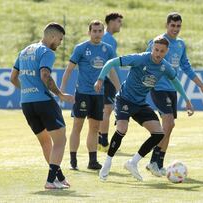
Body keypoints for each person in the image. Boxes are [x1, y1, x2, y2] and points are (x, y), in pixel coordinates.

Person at [95, 36, 194, 181]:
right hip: (124, 99)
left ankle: (132, 162)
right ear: (152, 48)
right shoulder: (140, 59)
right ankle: (107, 163)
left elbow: (175, 81)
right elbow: (111, 62)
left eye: (161, 51)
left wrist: (186, 99)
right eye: (156, 50)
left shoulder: (165, 67)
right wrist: (100, 78)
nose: (158, 53)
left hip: (140, 103)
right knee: (122, 129)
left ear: (166, 52)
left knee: (159, 133)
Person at [145, 12, 203, 176]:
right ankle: (154, 161)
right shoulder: (157, 42)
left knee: (171, 126)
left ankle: (158, 163)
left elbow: (187, 68)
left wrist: (202, 86)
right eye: (172, 26)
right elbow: (145, 62)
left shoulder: (181, 44)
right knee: (167, 123)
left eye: (178, 26)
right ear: (167, 25)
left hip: (171, 89)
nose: (175, 29)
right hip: (158, 88)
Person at [10, 22, 75, 189]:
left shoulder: (24, 51)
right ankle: (50, 180)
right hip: (44, 102)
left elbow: (13, 78)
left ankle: (59, 178)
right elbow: (45, 74)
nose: (60, 43)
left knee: (46, 143)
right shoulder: (46, 52)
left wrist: (27, 90)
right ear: (52, 36)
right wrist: (60, 94)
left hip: (26, 103)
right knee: (60, 141)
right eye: (60, 39)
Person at [60, 20, 120, 170]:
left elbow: (111, 71)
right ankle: (73, 160)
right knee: (77, 127)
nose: (97, 34)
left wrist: (120, 90)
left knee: (94, 128)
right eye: (94, 31)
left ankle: (92, 161)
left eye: (100, 31)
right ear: (89, 32)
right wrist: (61, 89)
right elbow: (69, 70)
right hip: (82, 94)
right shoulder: (81, 48)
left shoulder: (108, 49)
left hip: (98, 94)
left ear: (103, 32)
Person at [98, 13, 124, 152]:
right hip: (108, 80)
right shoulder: (108, 39)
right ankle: (104, 143)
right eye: (119, 21)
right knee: (107, 110)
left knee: (105, 110)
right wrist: (116, 83)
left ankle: (99, 141)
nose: (120, 24)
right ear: (111, 22)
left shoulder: (110, 39)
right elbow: (108, 63)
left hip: (107, 79)